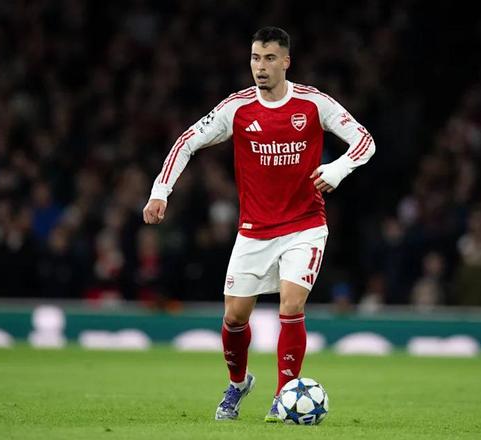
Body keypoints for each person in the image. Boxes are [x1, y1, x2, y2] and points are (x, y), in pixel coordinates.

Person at [143, 27, 375, 422]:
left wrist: (338, 169)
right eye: (255, 58)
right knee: (235, 317)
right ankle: (238, 384)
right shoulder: (237, 108)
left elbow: (365, 140)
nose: (260, 67)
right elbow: (187, 141)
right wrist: (160, 191)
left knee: (291, 304)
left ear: (286, 61)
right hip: (254, 230)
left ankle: (285, 395)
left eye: (269, 58)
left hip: (305, 225)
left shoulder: (313, 103)